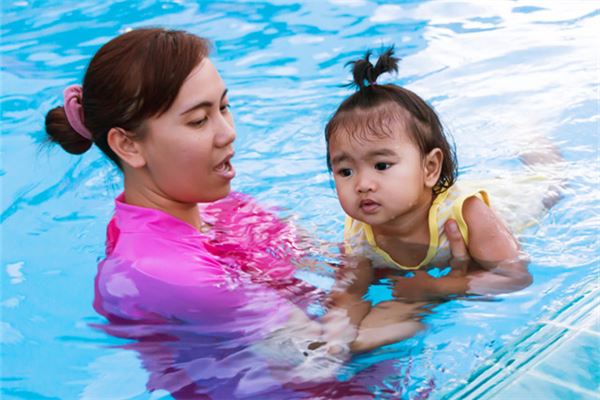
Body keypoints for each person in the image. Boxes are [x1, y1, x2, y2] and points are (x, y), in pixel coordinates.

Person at [322, 47, 562, 352]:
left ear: (430, 167)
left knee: (550, 182)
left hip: (515, 200)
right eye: (345, 171)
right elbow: (350, 293)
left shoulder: (467, 212)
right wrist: (334, 335)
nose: (363, 184)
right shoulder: (358, 230)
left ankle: (533, 139)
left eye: (382, 165)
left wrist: (439, 287)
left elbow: (515, 275)